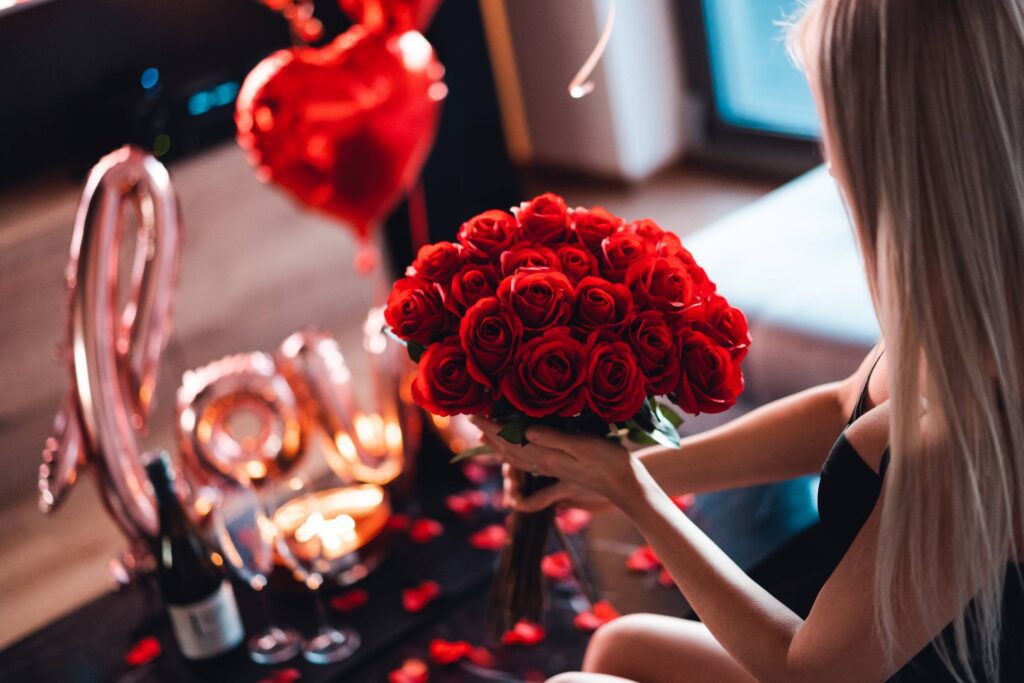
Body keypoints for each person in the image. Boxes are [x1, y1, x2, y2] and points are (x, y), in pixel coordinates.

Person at [472, 0, 1024, 680]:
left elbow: (805, 671)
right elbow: (844, 407)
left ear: (890, 152)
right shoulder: (976, 302)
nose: (828, 163)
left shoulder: (973, 434)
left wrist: (634, 495)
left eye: (832, 127)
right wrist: (634, 468)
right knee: (620, 647)